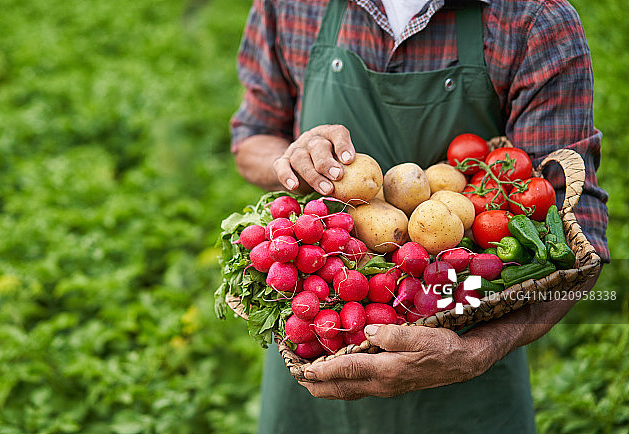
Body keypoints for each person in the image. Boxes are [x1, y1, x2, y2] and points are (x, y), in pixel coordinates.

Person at [229, 0, 610, 432]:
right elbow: (251, 136)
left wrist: (483, 347)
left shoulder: (534, 19)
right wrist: (291, 161)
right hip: (318, 337)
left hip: (466, 362)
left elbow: (581, 237)